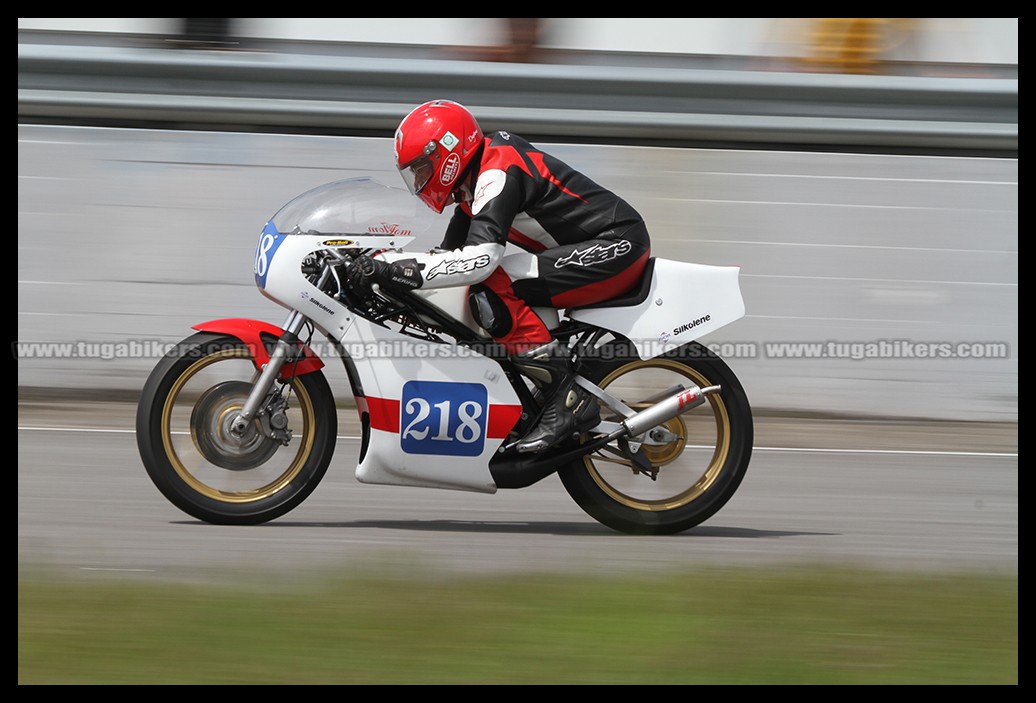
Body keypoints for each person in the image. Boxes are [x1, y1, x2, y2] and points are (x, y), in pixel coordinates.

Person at [349, 99, 651, 452]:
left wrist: (395, 270)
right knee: (470, 289)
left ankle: (566, 398)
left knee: (491, 287)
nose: (418, 180)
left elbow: (480, 261)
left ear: (447, 152)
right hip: (602, 247)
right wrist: (382, 269)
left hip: (617, 245)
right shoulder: (475, 184)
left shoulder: (497, 171)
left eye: (421, 168)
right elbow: (446, 259)